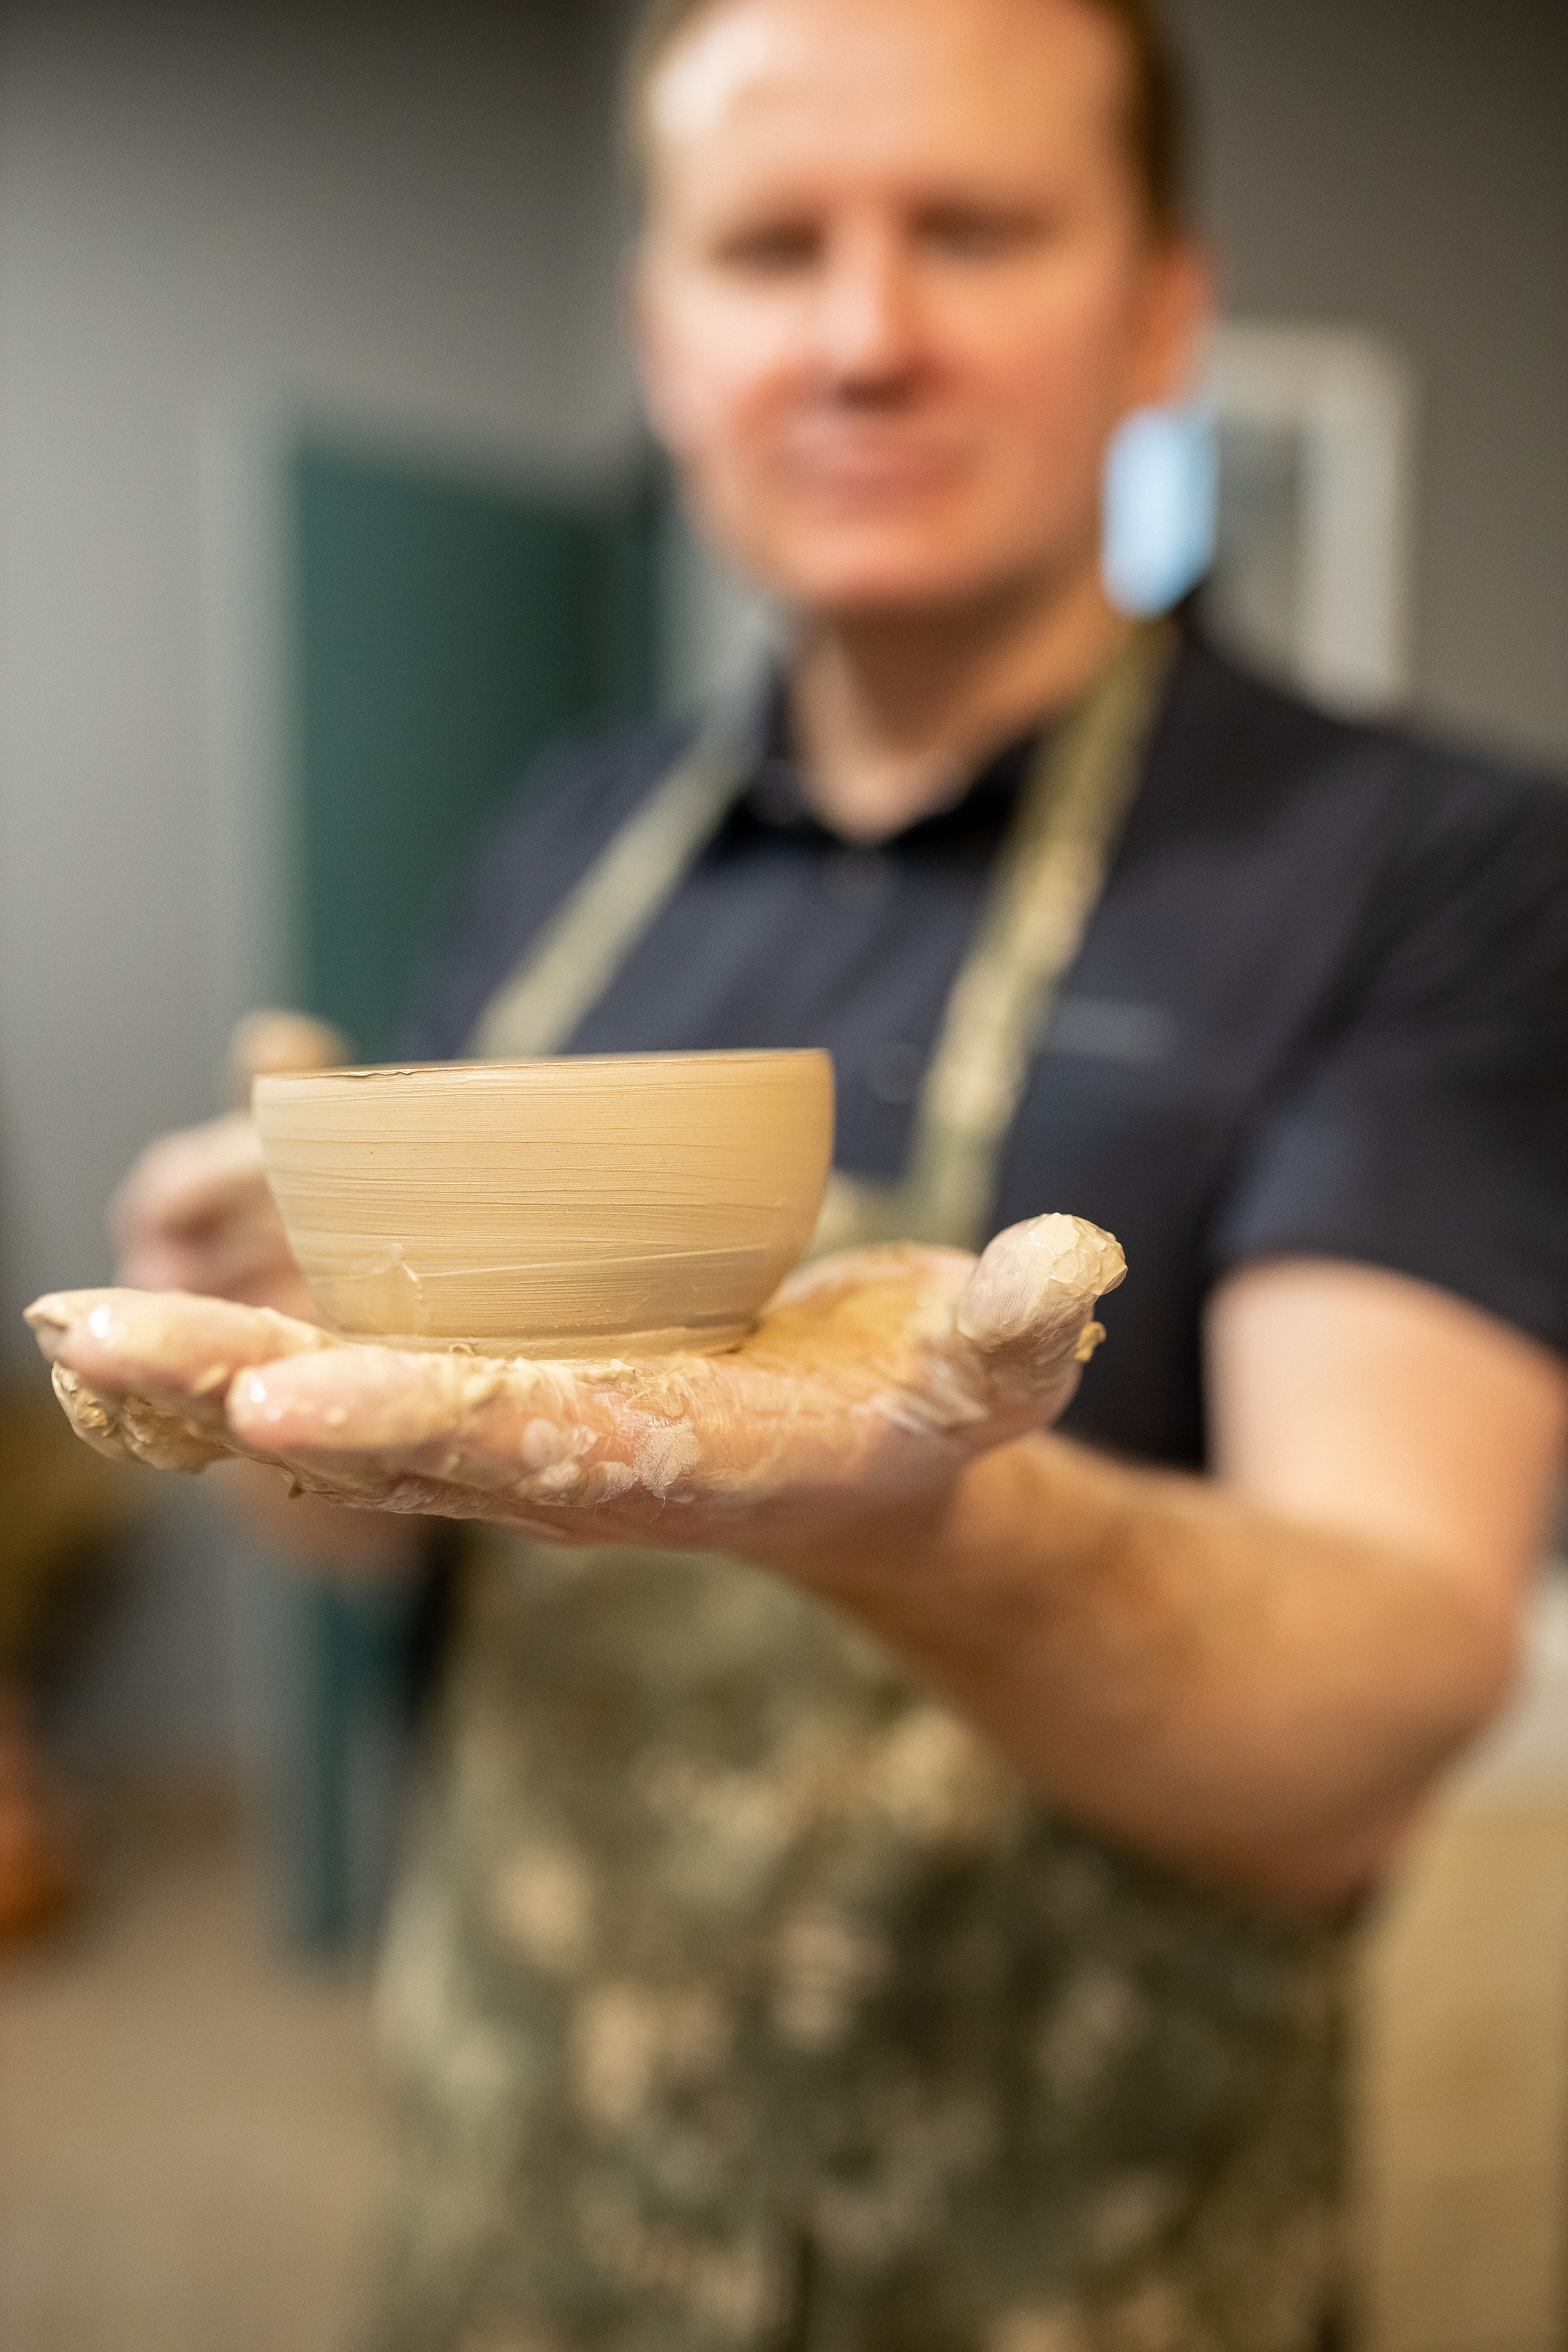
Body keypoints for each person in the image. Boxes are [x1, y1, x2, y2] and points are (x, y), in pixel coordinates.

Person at [29, 0, 1568, 2345]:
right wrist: (262, 1376)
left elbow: (1378, 1711)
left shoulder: (1433, 870)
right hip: (515, 2200)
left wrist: (931, 1511)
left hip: (1078, 2263)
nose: (864, 337)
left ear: (1163, 305)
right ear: (664, 337)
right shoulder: (566, 833)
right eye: (770, 248)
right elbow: (380, 1534)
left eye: (971, 230)